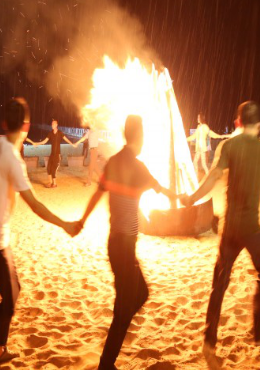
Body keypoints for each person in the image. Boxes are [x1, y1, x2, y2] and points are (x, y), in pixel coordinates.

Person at [0, 98, 81, 367]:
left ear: (4, 124)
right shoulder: (13, 159)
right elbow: (35, 205)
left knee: (13, 292)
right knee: (9, 302)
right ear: (26, 126)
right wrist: (65, 224)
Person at [78, 115, 178, 371]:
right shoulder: (138, 167)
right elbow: (163, 191)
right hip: (124, 247)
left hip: (116, 245)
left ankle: (119, 319)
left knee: (140, 293)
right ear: (140, 137)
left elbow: (97, 194)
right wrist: (184, 199)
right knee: (129, 304)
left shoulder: (114, 162)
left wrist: (82, 220)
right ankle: (106, 363)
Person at [181, 102, 260, 360]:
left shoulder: (229, 146)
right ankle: (257, 329)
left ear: (238, 122)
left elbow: (213, 176)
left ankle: (209, 340)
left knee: (219, 284)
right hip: (252, 229)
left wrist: (191, 198)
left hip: (230, 229)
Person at [27, 119, 77, 188]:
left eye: (53, 124)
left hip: (57, 155)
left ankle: (55, 184)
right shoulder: (50, 133)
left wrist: (72, 144)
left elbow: (66, 139)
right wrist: (36, 143)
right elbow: (44, 141)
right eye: (52, 124)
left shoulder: (60, 133)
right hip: (52, 155)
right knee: (48, 169)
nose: (52, 125)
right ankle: (50, 183)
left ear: (56, 125)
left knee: (53, 170)